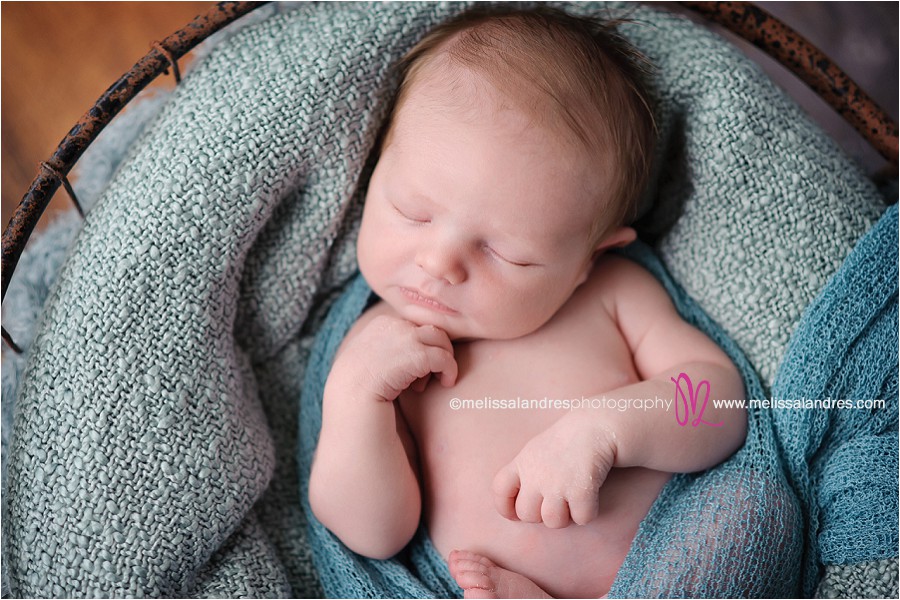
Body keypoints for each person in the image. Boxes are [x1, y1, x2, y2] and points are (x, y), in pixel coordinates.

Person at [308, 7, 747, 598]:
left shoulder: (611, 293)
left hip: (681, 562)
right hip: (493, 584)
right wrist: (353, 403)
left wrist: (608, 431)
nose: (439, 262)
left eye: (506, 253)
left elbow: (719, 406)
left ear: (586, 259)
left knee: (748, 514)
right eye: (411, 212)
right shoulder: (383, 350)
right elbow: (375, 534)